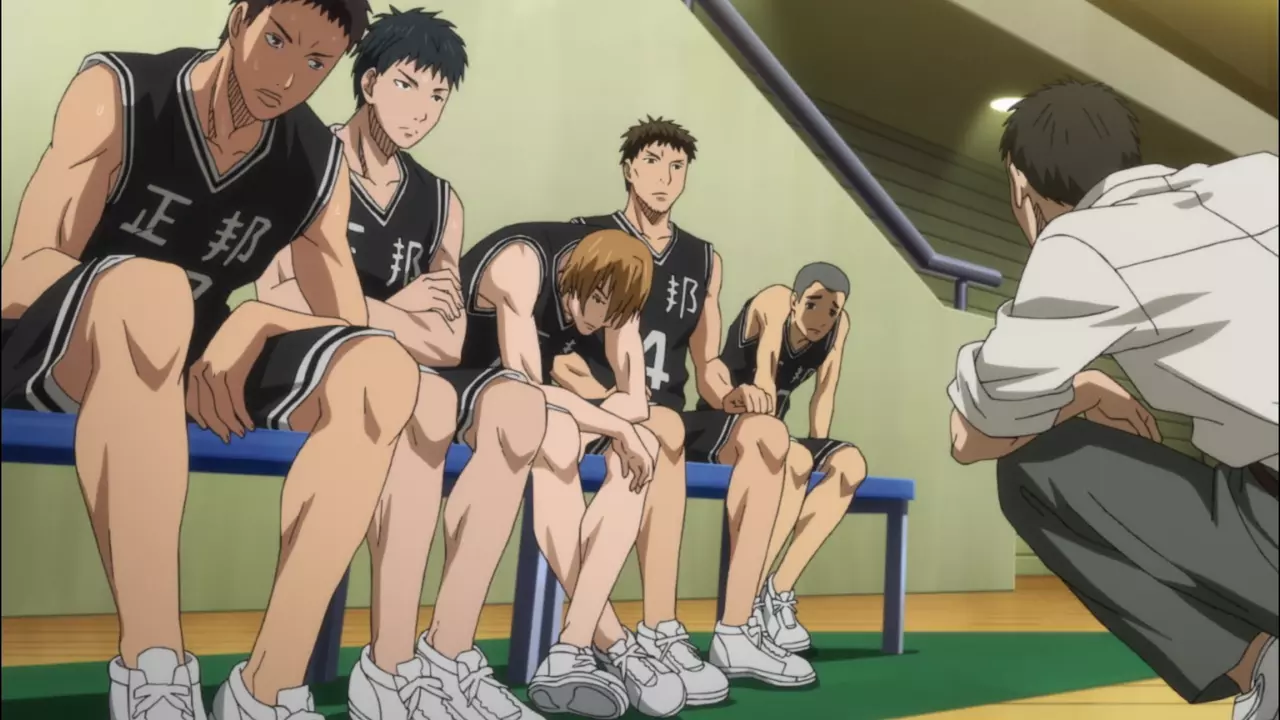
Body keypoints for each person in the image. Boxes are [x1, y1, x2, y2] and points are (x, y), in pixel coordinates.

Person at [0, 1, 422, 719]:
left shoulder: (316, 160)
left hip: (193, 359)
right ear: (239, 18)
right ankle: (154, 667)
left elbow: (348, 325)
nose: (287, 75)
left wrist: (259, 317)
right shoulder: (122, 93)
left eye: (315, 62)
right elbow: (23, 274)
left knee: (382, 371)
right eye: (277, 40)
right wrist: (142, 294)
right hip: (56, 344)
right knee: (154, 293)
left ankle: (267, 689)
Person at [946, 79, 1278, 720]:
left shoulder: (1080, 244)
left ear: (1021, 186)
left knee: (1037, 469)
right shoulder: (1262, 176)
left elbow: (972, 436)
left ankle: (1262, 666)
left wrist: (1081, 391)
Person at [254, 10, 546, 720]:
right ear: (369, 81)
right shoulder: (305, 153)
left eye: (438, 97)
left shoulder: (441, 202)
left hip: (401, 375)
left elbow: (448, 343)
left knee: (485, 403)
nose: (421, 110)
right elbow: (276, 294)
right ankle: (380, 665)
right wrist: (398, 308)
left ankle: (422, 659)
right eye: (409, 86)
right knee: (418, 393)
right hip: (295, 354)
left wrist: (367, 311)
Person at [555, 117, 815, 694]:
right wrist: (605, 402)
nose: (664, 177)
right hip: (604, 410)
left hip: (669, 409)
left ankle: (736, 629)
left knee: (769, 435)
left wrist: (735, 396)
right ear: (628, 169)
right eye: (652, 162)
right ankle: (659, 630)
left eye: (677, 167)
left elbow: (709, 365)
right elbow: (558, 351)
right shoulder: (588, 235)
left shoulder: (703, 259)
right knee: (664, 426)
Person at [454, 221, 683, 719]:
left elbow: (636, 400)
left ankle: (572, 646)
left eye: (613, 313)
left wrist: (608, 427)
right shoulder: (521, 264)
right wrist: (609, 427)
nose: (599, 321)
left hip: (526, 409)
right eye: (597, 302)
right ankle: (612, 641)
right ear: (574, 274)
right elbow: (526, 392)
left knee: (641, 445)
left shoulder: (616, 289)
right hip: (454, 384)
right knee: (561, 435)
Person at [709, 263, 867, 653]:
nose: (822, 318)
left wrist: (821, 450)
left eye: (832, 310)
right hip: (731, 424)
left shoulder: (839, 327)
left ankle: (776, 591)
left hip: (779, 433)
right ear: (796, 299)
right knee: (794, 457)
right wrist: (793, 453)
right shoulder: (774, 302)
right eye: (813, 304)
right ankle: (746, 600)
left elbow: (824, 394)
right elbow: (764, 379)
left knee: (851, 465)